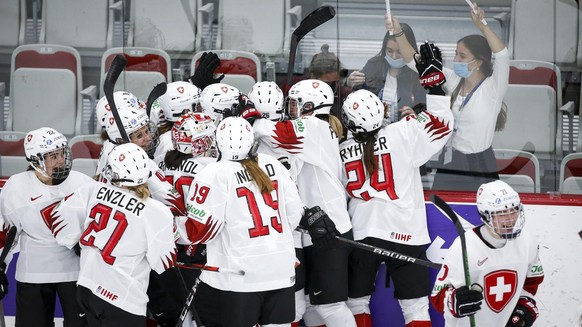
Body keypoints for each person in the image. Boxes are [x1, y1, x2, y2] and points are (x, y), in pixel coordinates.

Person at [181, 117, 337, 326]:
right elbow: (294, 214)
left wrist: (170, 227)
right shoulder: (272, 164)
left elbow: (203, 231)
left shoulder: (213, 173)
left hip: (239, 276)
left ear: (219, 142)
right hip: (280, 271)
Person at [339, 42, 453, 327]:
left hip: (363, 231)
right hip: (405, 232)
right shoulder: (403, 132)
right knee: (415, 307)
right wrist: (435, 86)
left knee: (356, 302)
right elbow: (442, 123)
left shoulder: (339, 149)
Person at [243, 80, 355, 327]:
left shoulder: (314, 127)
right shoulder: (318, 129)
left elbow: (279, 135)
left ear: (310, 106)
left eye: (294, 104)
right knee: (309, 307)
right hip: (313, 227)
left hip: (329, 228)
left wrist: (252, 118)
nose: (289, 109)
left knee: (331, 306)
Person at [52, 143, 177, 326]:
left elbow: (61, 229)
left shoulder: (90, 189)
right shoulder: (156, 212)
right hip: (123, 299)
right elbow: (163, 263)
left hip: (87, 287)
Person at [391, 4, 509, 191]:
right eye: (455, 53)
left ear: (478, 62)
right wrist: (398, 33)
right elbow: (413, 62)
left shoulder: (493, 88)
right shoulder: (453, 78)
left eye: (462, 56)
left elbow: (502, 55)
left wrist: (483, 26)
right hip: (450, 160)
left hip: (480, 164)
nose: (455, 60)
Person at [0, 127, 94, 326]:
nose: (61, 159)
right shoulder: (16, 188)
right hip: (34, 272)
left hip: (76, 273)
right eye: (53, 156)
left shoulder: (83, 183)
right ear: (35, 161)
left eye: (62, 153)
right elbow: (7, 234)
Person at [430, 180, 545, 326]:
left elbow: (532, 281)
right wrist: (455, 301)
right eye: (502, 213)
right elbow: (437, 296)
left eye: (514, 210)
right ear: (485, 216)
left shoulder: (527, 241)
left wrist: (523, 307)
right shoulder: (464, 247)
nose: (510, 219)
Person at [346, 19, 426, 124]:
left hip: (404, 133)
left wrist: (415, 116)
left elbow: (427, 113)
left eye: (399, 52)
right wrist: (349, 83)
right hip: (374, 132)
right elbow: (356, 98)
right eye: (389, 51)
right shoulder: (373, 65)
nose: (394, 56)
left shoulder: (419, 74)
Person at [308, 44, 352, 139]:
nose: (329, 89)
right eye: (325, 84)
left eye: (334, 83)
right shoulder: (299, 96)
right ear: (313, 78)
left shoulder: (346, 98)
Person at [152, 81, 201, 166]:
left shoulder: (165, 137)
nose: (202, 110)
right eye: (198, 106)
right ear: (186, 111)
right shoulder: (169, 141)